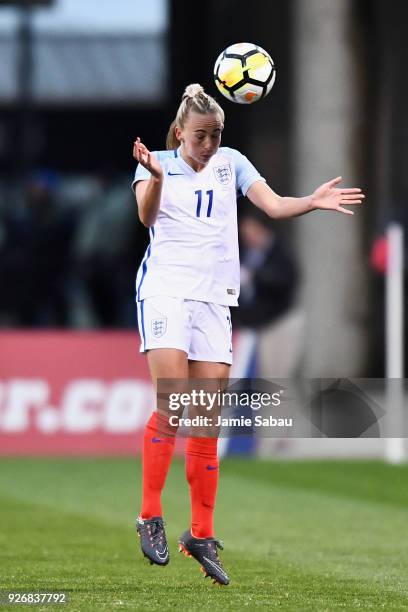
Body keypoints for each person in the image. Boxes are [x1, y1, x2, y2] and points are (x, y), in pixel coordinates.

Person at [131, 83, 365, 585]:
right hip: (167, 291)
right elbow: (145, 217)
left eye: (216, 134)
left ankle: (200, 534)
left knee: (207, 419)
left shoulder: (231, 162)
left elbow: (274, 205)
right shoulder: (156, 163)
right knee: (173, 404)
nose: (209, 143)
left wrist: (312, 201)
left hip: (216, 299)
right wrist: (152, 177)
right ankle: (150, 515)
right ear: (179, 133)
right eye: (200, 136)